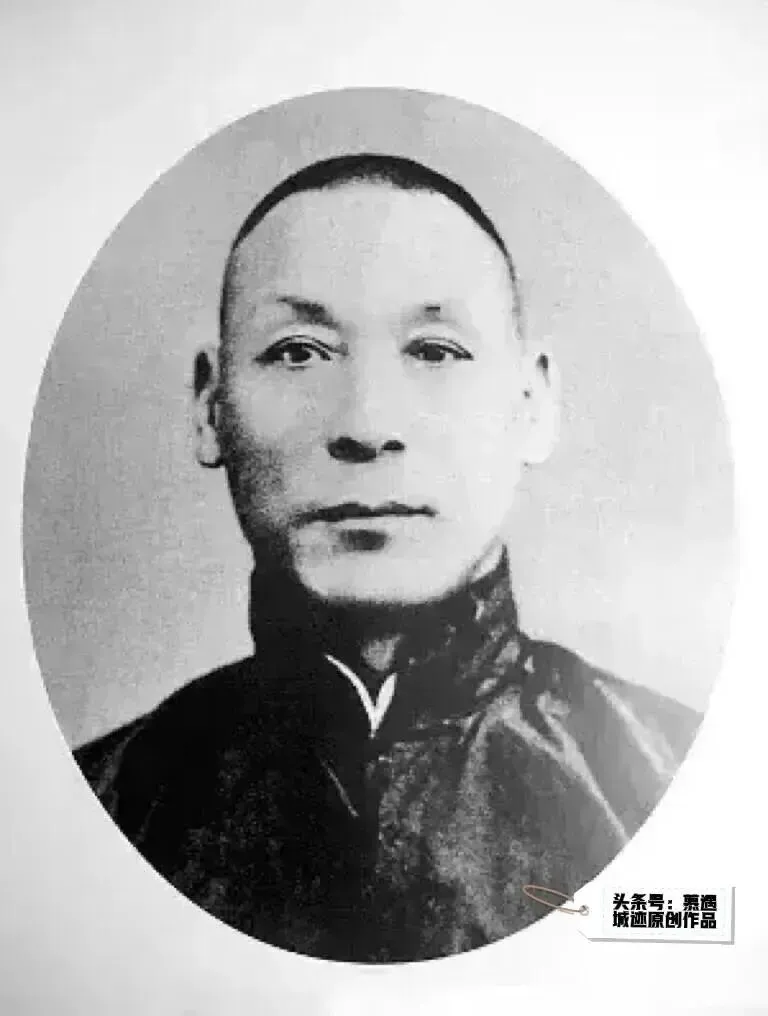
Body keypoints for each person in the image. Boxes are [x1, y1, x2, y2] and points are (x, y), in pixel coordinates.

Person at [75, 153, 700, 963]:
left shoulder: (689, 786)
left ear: (532, 403)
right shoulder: (95, 811)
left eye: (434, 351)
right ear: (209, 406)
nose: (367, 426)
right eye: (299, 351)